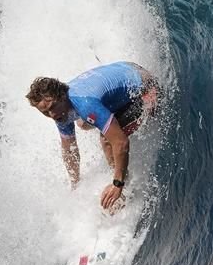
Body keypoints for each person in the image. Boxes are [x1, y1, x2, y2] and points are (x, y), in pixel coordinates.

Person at [26, 61, 162, 210]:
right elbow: (69, 149)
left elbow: (121, 142)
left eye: (52, 108)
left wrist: (118, 184)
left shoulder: (85, 104)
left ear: (61, 96)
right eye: (45, 112)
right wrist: (75, 185)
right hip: (129, 69)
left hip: (146, 89)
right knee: (83, 124)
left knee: (107, 140)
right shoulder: (61, 110)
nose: (51, 114)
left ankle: (124, 191)